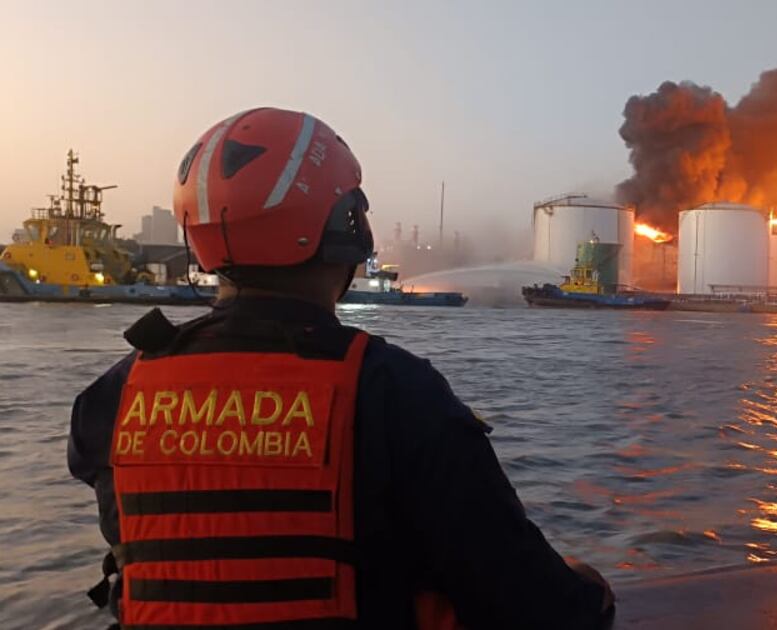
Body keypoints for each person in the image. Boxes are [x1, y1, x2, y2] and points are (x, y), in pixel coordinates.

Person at [68, 107, 614, 629]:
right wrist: (590, 593)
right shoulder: (394, 393)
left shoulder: (112, 397)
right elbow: (530, 602)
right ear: (349, 230)